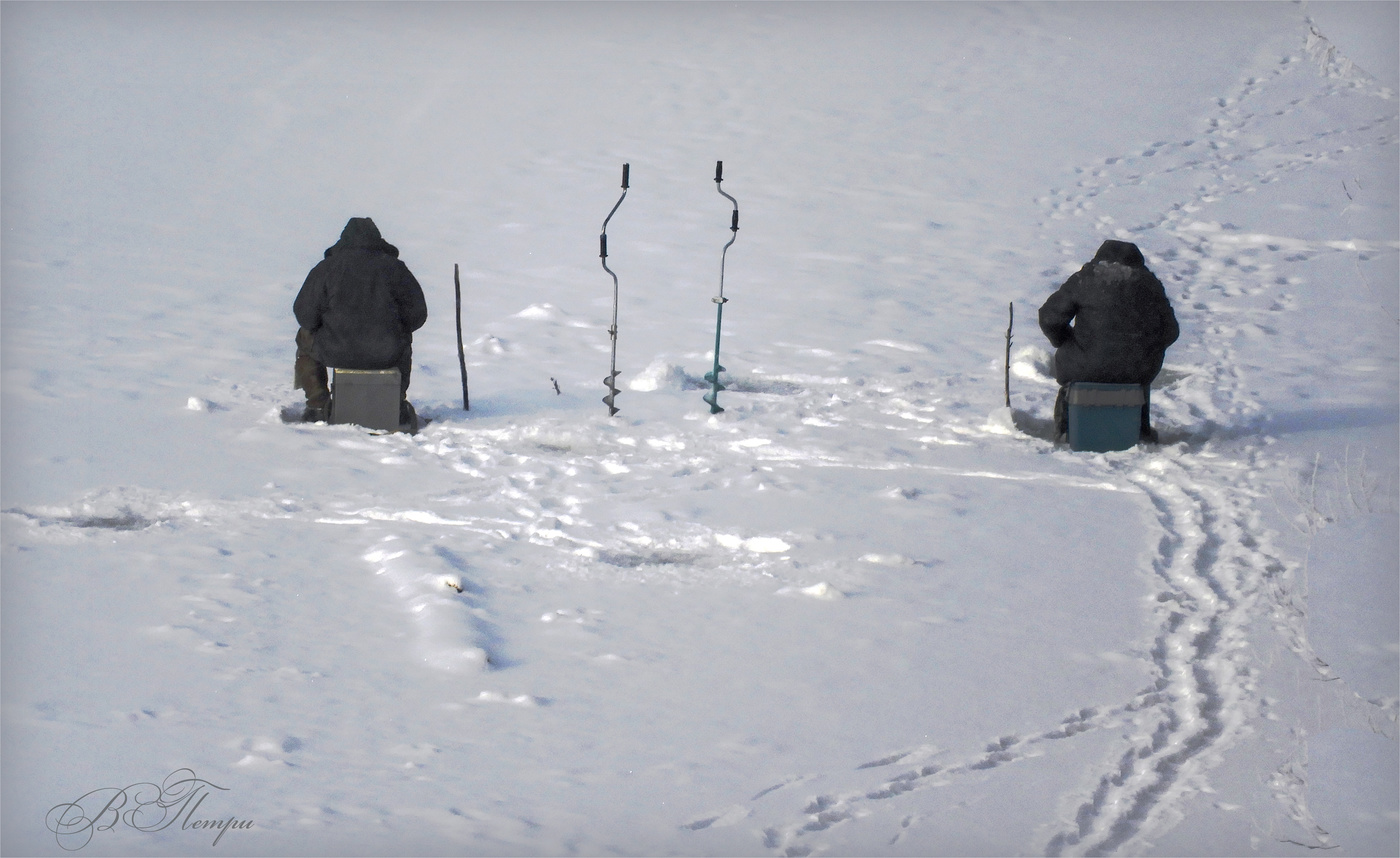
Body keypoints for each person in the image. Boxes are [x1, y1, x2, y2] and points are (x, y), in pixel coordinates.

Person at [1038, 239, 1179, 443]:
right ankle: (1140, 430)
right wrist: (1146, 349)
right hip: (1136, 371)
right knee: (1138, 378)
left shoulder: (1084, 280)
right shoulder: (1150, 285)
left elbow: (1049, 318)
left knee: (1074, 373)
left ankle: (1066, 428)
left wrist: (1065, 341)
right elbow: (1171, 331)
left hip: (1085, 367)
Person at [293, 217, 428, 425]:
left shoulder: (326, 268)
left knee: (304, 336)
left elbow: (305, 315)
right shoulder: (395, 268)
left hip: (334, 350)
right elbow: (417, 314)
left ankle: (317, 404)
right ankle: (396, 403)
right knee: (403, 340)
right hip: (385, 352)